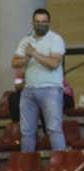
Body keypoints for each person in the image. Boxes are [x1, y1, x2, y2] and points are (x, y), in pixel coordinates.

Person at [12, 8, 66, 153]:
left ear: (48, 23)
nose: (40, 24)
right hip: (28, 91)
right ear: (33, 23)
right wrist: (27, 57)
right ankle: (27, 169)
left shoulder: (56, 39)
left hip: (51, 90)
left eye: (43, 22)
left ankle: (61, 165)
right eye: (37, 22)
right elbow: (15, 63)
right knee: (27, 131)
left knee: (54, 129)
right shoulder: (25, 40)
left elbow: (54, 64)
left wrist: (34, 53)